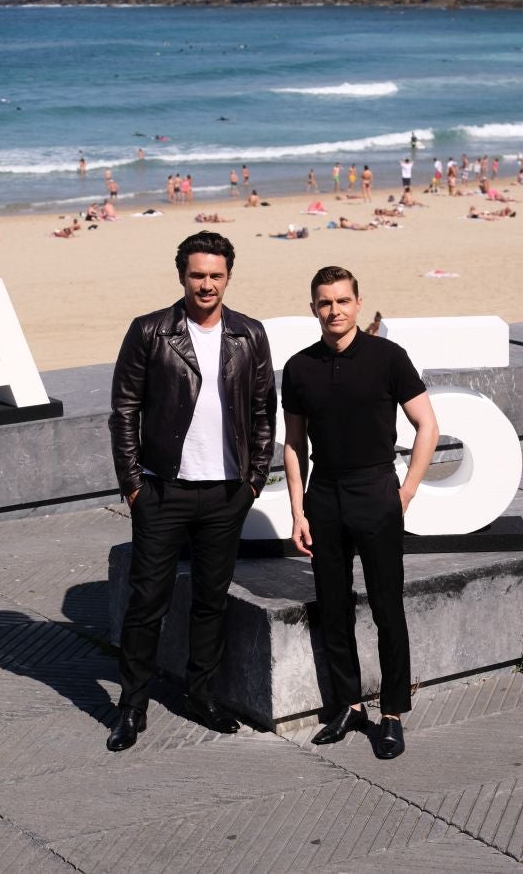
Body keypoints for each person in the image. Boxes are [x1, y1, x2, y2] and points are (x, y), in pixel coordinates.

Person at [107, 230, 276, 752]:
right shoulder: (150, 332)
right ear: (182, 275)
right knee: (146, 601)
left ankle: (200, 696)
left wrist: (254, 480)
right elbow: (125, 410)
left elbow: (263, 410)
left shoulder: (249, 334)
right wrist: (134, 484)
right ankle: (131, 706)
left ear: (228, 277)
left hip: (227, 492)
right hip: (162, 490)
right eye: (197, 275)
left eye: (215, 275)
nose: (206, 284)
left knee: (211, 600)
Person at [282, 266, 438, 759]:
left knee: (387, 607)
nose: (335, 311)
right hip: (323, 493)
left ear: (357, 302)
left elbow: (427, 425)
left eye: (343, 301)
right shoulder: (299, 367)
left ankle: (391, 713)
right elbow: (293, 443)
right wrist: (297, 510)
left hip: (376, 489)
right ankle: (348, 705)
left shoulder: (388, 357)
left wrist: (406, 492)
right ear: (314, 308)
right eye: (325, 303)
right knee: (333, 606)